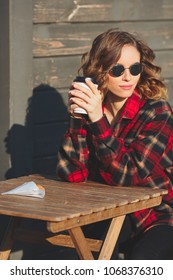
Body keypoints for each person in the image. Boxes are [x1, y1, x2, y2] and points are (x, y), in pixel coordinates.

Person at [57, 29, 173, 259]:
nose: (128, 78)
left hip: (153, 216)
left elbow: (128, 176)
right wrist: (79, 118)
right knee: (78, 249)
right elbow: (73, 175)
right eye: (118, 70)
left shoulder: (157, 112)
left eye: (135, 68)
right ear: (101, 71)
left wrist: (98, 121)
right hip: (107, 212)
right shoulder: (93, 109)